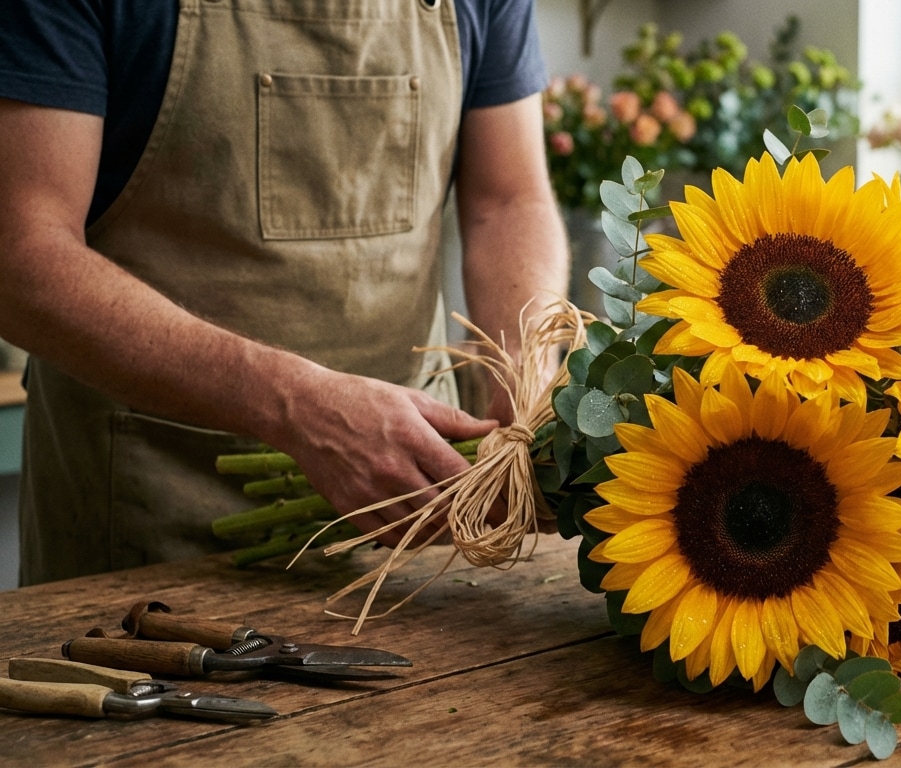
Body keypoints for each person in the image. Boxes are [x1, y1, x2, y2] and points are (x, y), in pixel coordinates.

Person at [0, 0, 570, 585]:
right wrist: (297, 407)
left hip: (419, 518)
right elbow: (20, 259)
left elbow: (508, 201)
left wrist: (526, 363)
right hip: (151, 518)